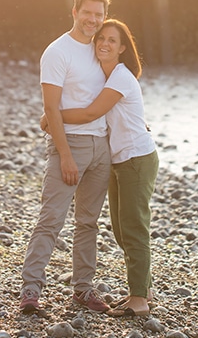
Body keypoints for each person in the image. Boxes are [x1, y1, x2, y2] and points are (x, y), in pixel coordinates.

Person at [54, 19, 158, 318]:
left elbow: (91, 112)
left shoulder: (121, 77)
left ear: (122, 48)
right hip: (119, 160)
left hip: (137, 160)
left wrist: (54, 116)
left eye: (112, 40)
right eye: (101, 38)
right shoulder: (104, 75)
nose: (105, 43)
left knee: (134, 229)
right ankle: (145, 289)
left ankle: (139, 300)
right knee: (122, 230)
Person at [19, 0, 113, 315]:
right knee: (51, 220)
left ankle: (83, 290)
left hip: (102, 147)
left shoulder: (102, 50)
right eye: (87, 13)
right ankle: (30, 291)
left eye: (98, 15)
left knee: (88, 223)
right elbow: (50, 106)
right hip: (68, 145)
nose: (93, 20)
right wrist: (65, 155)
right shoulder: (58, 52)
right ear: (74, 12)